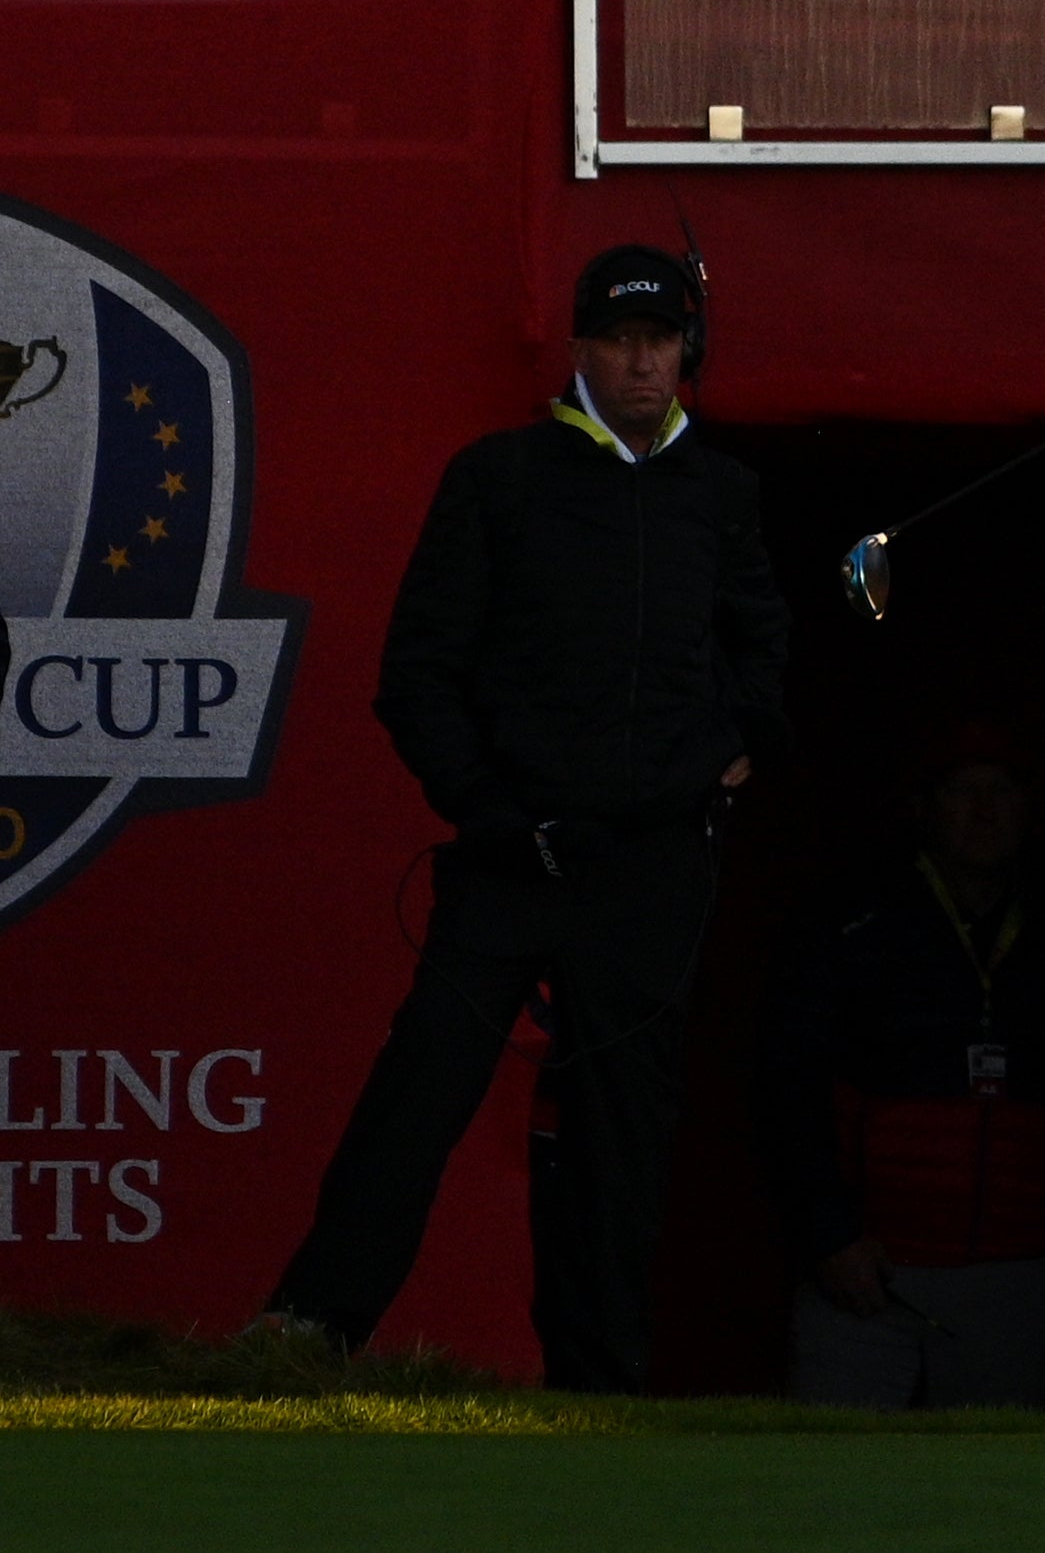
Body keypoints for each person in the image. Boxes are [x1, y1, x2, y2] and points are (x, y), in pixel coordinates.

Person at [261, 246, 787, 1392]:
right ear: (581, 347)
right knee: (420, 1093)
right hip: (511, 858)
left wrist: (720, 763)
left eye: (661, 340)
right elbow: (418, 673)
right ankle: (310, 1328)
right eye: (620, 339)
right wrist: (495, 814)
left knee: (621, 1135)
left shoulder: (723, 491)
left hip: (648, 870)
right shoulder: (499, 476)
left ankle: (598, 1383)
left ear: (685, 349)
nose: (643, 361)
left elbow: (762, 657)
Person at [761, 736, 1045, 1409]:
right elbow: (789, 1088)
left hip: (1019, 1274)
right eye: (963, 790)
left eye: (1001, 790)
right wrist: (829, 1234)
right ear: (923, 808)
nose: (983, 810)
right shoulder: (852, 921)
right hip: (867, 1270)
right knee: (832, 1488)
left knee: (995, 1498)